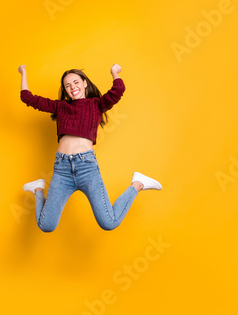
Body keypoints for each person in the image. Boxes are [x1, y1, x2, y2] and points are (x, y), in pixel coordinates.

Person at [18, 64, 162, 232]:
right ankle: (37, 189)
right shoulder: (61, 107)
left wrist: (114, 72)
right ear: (65, 90)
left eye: (76, 82)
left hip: (87, 167)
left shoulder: (96, 104)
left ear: (85, 83)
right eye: (68, 86)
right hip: (62, 170)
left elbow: (118, 90)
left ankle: (138, 183)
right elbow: (27, 98)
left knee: (109, 222)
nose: (73, 88)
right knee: (46, 225)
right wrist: (24, 73)